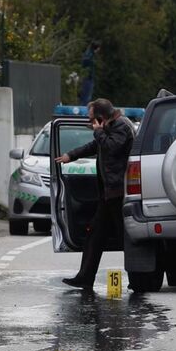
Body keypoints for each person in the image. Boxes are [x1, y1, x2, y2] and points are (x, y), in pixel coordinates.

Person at [55, 98, 134, 289]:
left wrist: (99, 132)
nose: (89, 123)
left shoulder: (121, 127)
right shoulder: (108, 128)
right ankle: (85, 277)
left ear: (100, 118)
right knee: (94, 235)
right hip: (108, 194)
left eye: (91, 119)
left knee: (126, 238)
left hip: (118, 193)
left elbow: (111, 147)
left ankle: (138, 278)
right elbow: (94, 146)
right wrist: (70, 156)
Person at [77, 41, 101, 105]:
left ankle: (83, 108)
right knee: (86, 97)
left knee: (85, 96)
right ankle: (83, 111)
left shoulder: (89, 54)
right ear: (97, 48)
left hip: (87, 77)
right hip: (87, 78)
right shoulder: (89, 55)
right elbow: (85, 64)